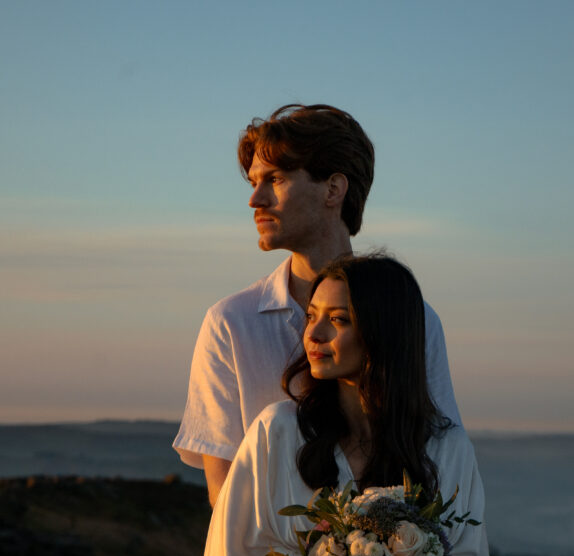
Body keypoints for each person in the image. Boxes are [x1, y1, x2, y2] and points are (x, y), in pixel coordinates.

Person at [197, 254, 491, 556]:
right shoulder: (276, 436)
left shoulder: (447, 450)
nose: (313, 333)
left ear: (384, 331)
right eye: (312, 315)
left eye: (338, 319)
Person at [173, 104, 462, 507]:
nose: (255, 199)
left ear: (333, 189)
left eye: (274, 179)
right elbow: (224, 500)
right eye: (254, 182)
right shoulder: (231, 324)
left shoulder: (413, 319)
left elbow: (440, 457)